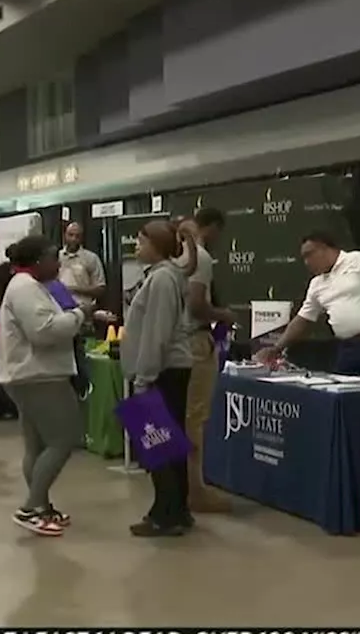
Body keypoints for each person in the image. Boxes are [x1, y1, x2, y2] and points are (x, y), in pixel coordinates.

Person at [0, 235, 85, 536]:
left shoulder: (25, 287)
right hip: (39, 376)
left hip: (26, 375)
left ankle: (41, 505)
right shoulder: (26, 289)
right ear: (37, 261)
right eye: (52, 258)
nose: (57, 264)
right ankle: (31, 507)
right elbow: (43, 332)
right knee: (63, 439)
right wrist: (78, 315)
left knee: (37, 445)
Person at [121, 220, 195, 537]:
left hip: (163, 371)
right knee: (168, 445)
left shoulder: (163, 279)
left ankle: (167, 514)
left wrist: (144, 376)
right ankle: (175, 509)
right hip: (163, 369)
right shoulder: (159, 277)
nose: (136, 248)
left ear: (158, 245)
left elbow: (157, 333)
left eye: (141, 242)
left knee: (158, 445)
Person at [254, 231, 360, 376]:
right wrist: (276, 348)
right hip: (347, 349)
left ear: (325, 248)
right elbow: (302, 320)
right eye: (303, 258)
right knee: (345, 395)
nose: (306, 262)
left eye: (309, 255)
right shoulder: (316, 284)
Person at [178, 208, 236, 513]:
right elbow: (198, 305)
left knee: (175, 419)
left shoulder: (169, 262)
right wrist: (223, 315)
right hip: (194, 344)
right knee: (193, 419)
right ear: (212, 228)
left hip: (171, 348)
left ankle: (177, 489)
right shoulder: (198, 257)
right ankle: (194, 490)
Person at [58, 222, 107, 311]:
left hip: (83, 310)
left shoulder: (91, 258)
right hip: (59, 310)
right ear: (65, 235)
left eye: (77, 236)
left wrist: (74, 289)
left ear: (82, 238)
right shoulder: (56, 257)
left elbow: (100, 289)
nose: (73, 239)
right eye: (70, 235)